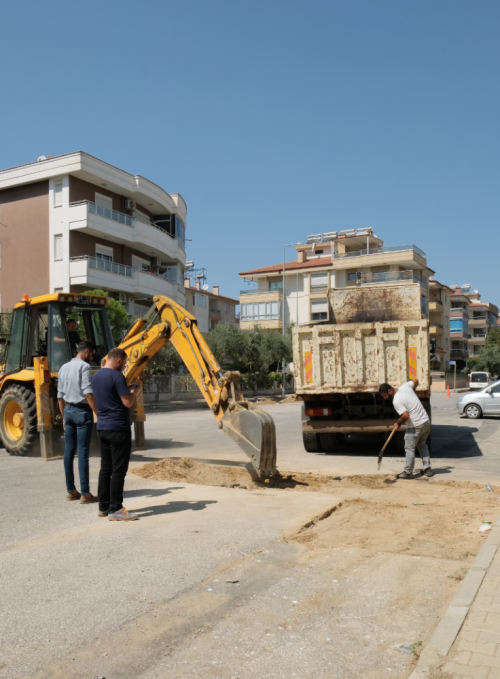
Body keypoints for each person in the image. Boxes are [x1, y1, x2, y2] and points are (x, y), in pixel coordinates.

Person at [92, 348, 138, 521]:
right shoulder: (118, 376)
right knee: (119, 470)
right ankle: (116, 509)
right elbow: (127, 402)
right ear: (118, 360)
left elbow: (107, 395)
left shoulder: (95, 376)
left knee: (106, 468)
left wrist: (124, 389)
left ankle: (103, 507)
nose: (125, 365)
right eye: (125, 362)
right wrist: (132, 393)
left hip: (102, 427)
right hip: (118, 427)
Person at [57, 340, 99, 502]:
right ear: (87, 351)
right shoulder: (85, 367)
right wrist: (98, 413)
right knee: (82, 453)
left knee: (68, 452)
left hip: (68, 411)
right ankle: (85, 493)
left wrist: (63, 418)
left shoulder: (63, 367)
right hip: (82, 412)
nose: (92, 357)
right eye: (92, 354)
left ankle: (71, 491)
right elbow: (88, 393)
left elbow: (60, 396)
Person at [379, 379, 432, 479]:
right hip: (426, 422)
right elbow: (416, 380)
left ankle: (408, 472)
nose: (385, 398)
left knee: (409, 448)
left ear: (389, 391)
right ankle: (427, 468)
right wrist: (414, 390)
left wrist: (398, 423)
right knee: (422, 444)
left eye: (384, 395)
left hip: (415, 425)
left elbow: (406, 416)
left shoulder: (396, 400)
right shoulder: (406, 387)